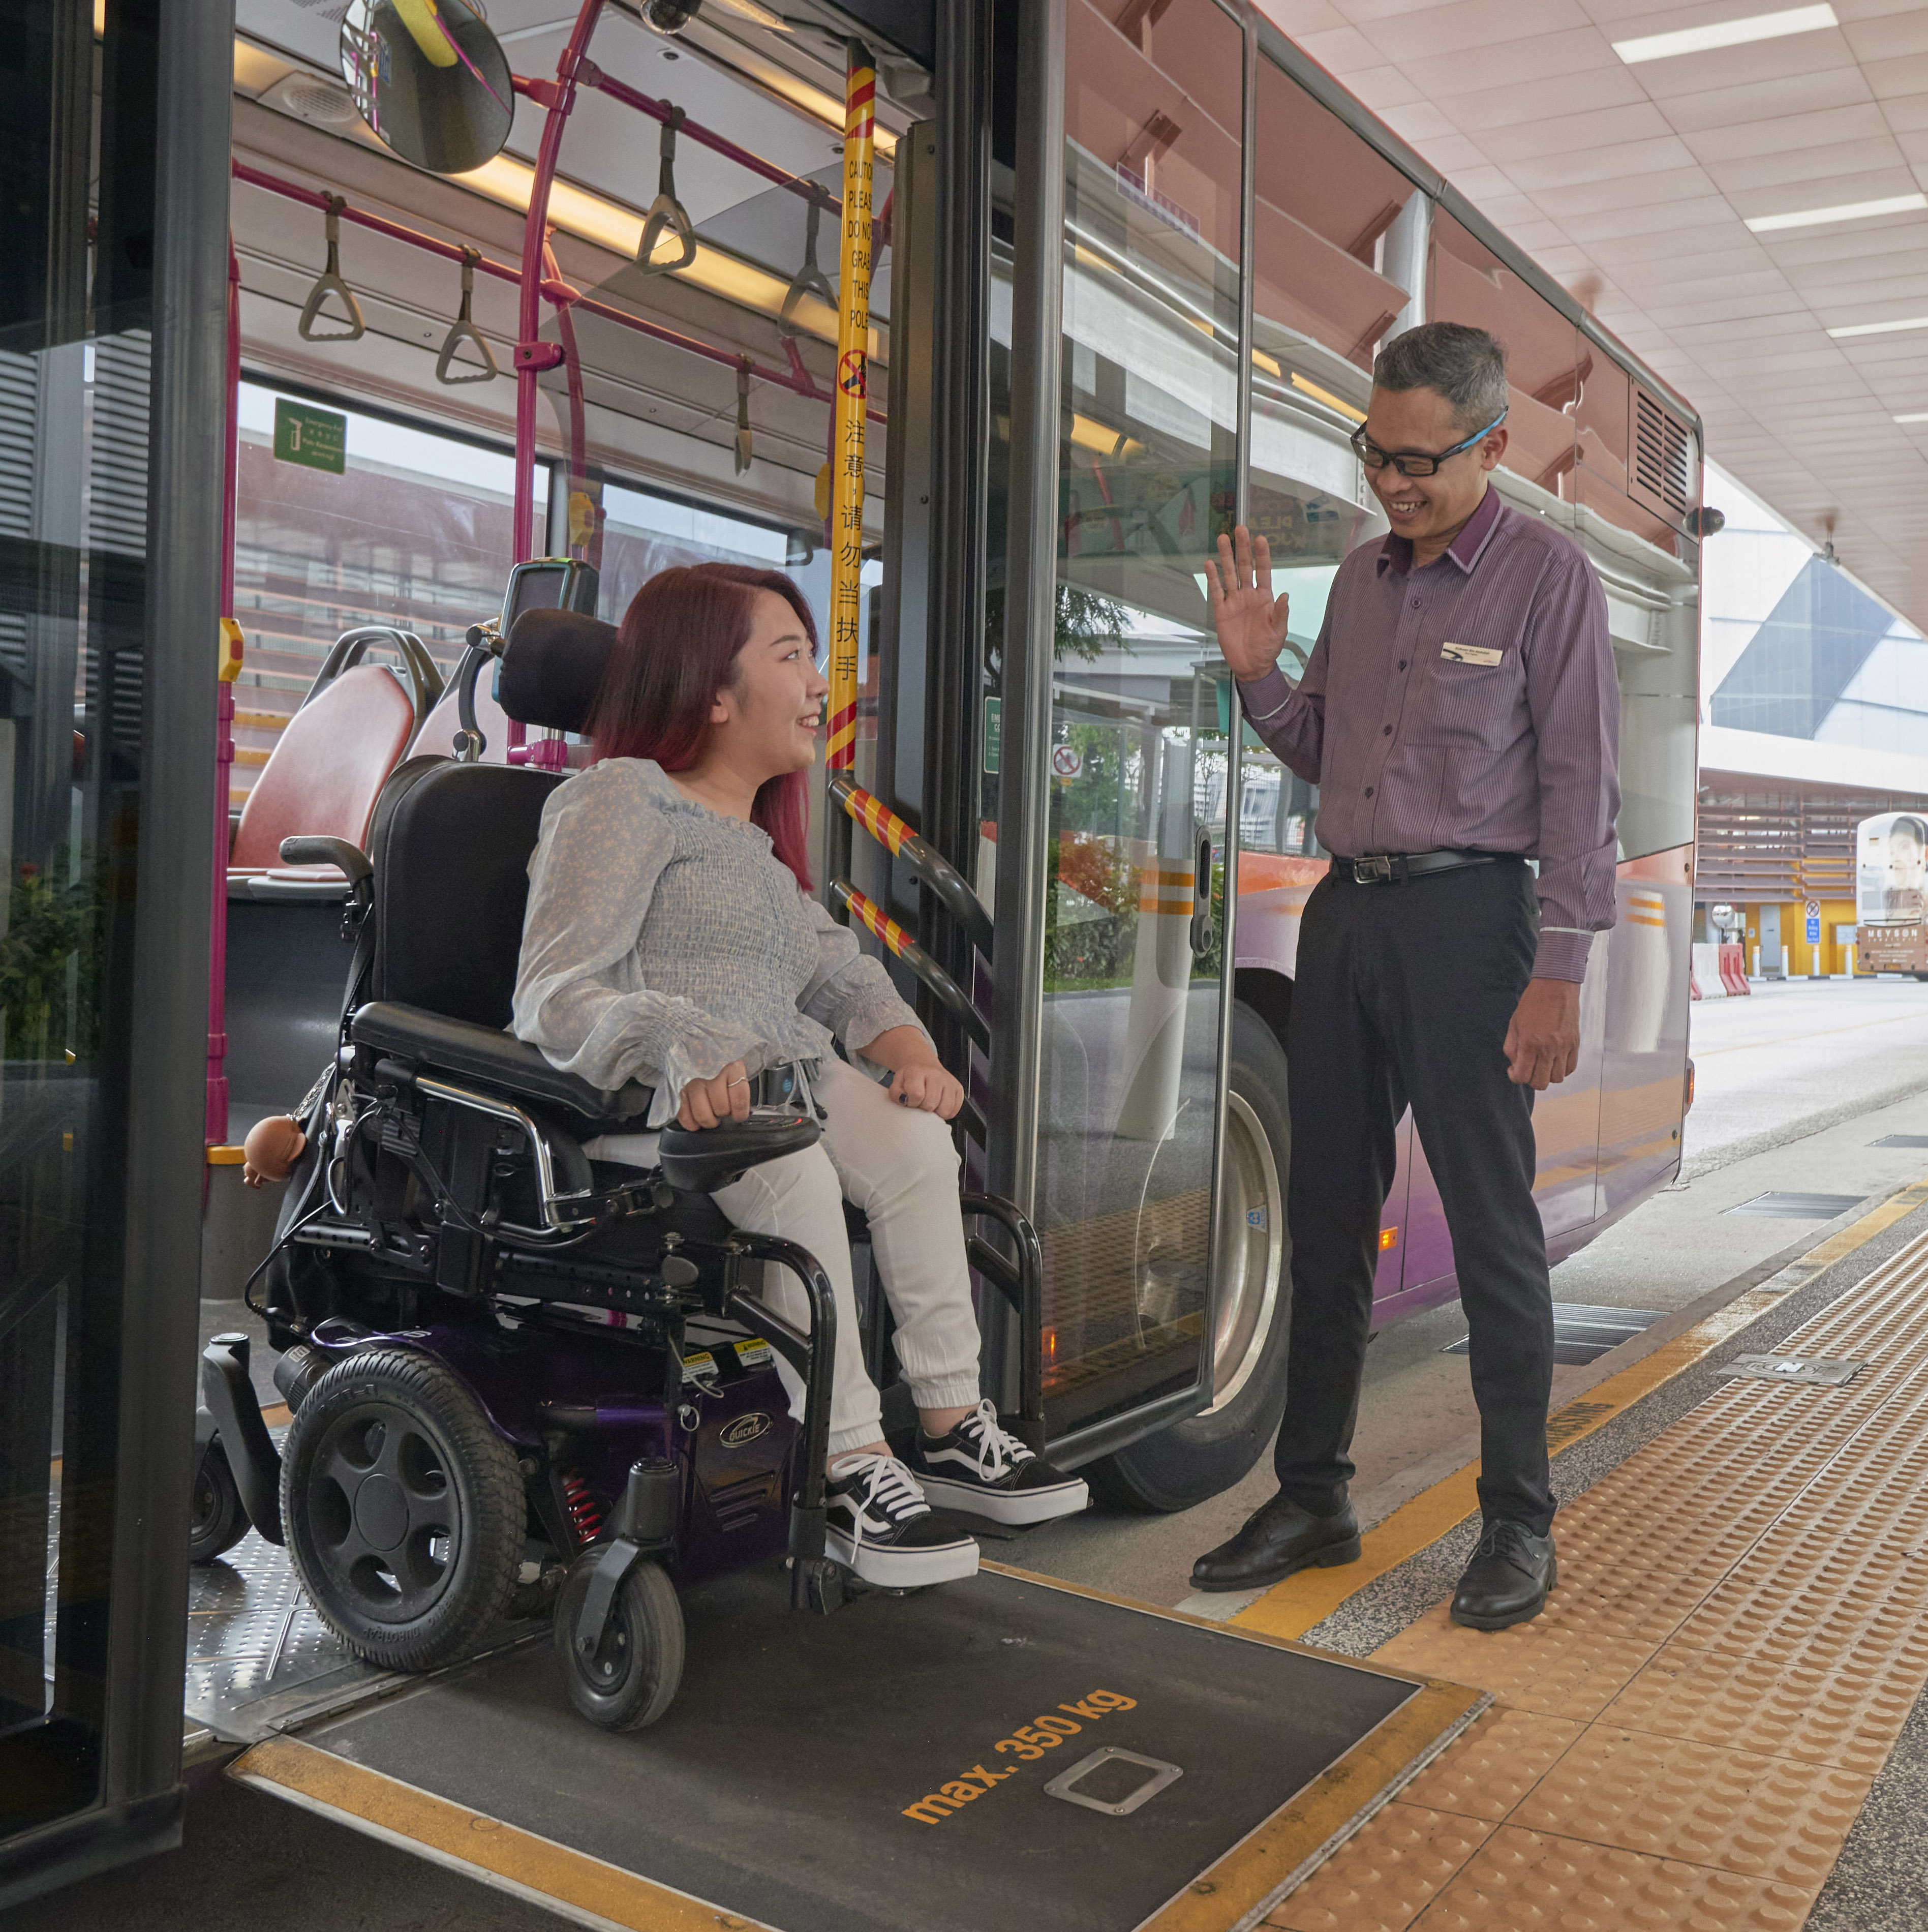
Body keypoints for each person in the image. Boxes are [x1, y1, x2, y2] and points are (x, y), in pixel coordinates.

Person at [510, 562, 1088, 1588]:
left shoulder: (759, 858)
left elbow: (838, 972)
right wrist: (681, 1040)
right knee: (793, 1164)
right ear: (712, 690)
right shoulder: (618, 801)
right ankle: (851, 1461)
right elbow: (552, 991)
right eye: (792, 656)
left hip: (780, 1097)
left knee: (917, 1141)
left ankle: (953, 1422)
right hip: (659, 1113)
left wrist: (907, 1049)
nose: (819, 682)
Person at [1190, 322, 1618, 1631]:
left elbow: (1578, 785)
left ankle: (1516, 1519)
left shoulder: (1548, 579)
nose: (1393, 484)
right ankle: (1312, 1495)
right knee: (1326, 1217)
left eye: (1421, 462)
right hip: (1349, 920)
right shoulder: (1364, 579)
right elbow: (1327, 748)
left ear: (1491, 444)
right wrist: (1260, 674)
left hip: (1474, 926)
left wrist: (1558, 967)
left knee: (1493, 1231)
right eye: (1377, 455)